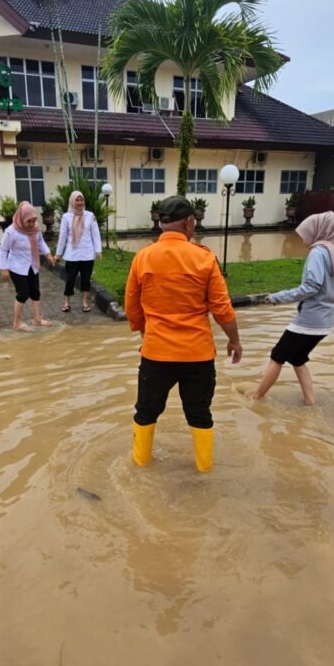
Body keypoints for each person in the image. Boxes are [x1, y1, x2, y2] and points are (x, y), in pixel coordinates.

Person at [124, 195, 242, 473]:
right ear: (189, 222)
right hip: (197, 356)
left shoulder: (143, 258)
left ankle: (140, 467)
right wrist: (234, 340)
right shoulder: (204, 258)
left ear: (160, 223)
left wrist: (146, 333)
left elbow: (132, 306)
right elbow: (222, 308)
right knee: (200, 414)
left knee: (146, 412)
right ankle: (204, 472)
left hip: (156, 354)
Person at [250, 211, 334, 404]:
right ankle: (310, 403)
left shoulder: (318, 253)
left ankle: (256, 398)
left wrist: (276, 297)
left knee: (277, 355)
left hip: (310, 321)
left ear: (318, 231)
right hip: (326, 322)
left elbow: (311, 287)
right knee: (297, 358)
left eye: (305, 235)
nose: (304, 240)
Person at [0, 201, 57, 332]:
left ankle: (37, 319)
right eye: (29, 221)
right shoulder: (11, 231)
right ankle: (17, 322)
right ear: (22, 218)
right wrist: (4, 268)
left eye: (34, 220)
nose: (32, 224)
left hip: (32, 265)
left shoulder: (35, 229)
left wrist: (48, 254)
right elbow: (3, 250)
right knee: (23, 293)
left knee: (35, 292)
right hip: (16, 267)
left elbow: (40, 242)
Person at [55, 190, 102, 313]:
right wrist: (58, 253)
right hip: (71, 254)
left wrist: (98, 250)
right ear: (72, 201)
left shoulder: (90, 216)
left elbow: (95, 234)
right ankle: (67, 302)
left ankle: (85, 302)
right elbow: (62, 236)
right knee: (70, 279)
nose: (79, 202)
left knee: (86, 279)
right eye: (77, 200)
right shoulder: (66, 217)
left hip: (87, 254)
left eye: (81, 200)